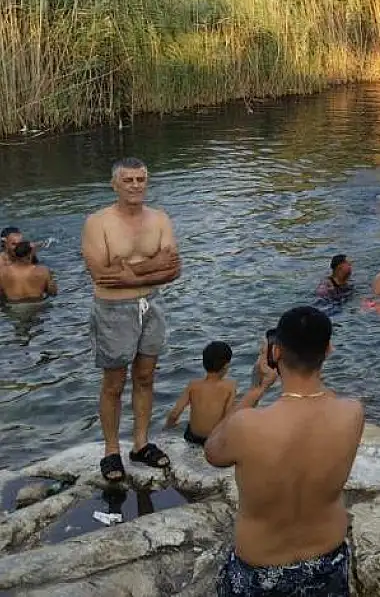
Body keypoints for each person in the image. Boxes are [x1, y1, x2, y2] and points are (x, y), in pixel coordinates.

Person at [206, 306, 363, 596]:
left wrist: (255, 390)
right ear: (329, 349)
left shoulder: (247, 425)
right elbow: (318, 406)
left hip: (259, 570)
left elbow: (213, 451)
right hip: (327, 560)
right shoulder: (352, 413)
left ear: (275, 353)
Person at [81, 158, 181, 483]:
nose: (136, 185)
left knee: (146, 376)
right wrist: (152, 266)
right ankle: (111, 451)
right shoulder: (98, 223)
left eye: (141, 179)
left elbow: (174, 269)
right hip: (113, 311)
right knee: (113, 383)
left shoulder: (160, 219)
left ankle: (140, 443)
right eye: (129, 180)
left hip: (151, 305)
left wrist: (129, 274)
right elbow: (101, 275)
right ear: (115, 184)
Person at [165, 341, 237, 446]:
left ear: (204, 363)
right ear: (226, 366)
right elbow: (228, 416)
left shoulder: (193, 385)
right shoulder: (230, 386)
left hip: (192, 437)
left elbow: (175, 413)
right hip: (214, 438)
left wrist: (167, 428)